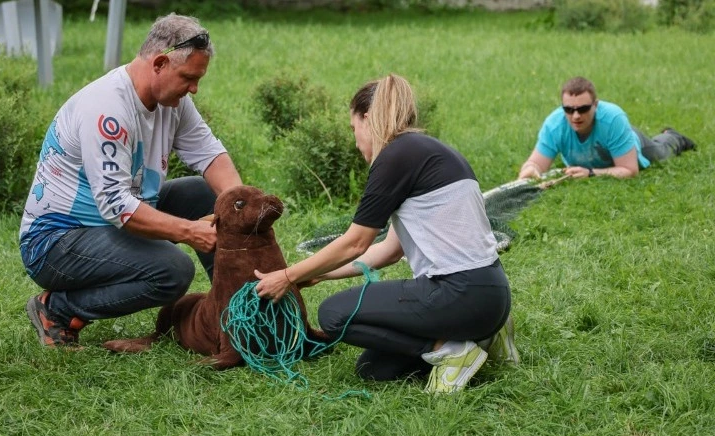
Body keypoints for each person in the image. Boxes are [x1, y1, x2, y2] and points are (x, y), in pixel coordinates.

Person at [254, 74, 518, 395]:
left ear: (367, 118)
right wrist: (320, 274)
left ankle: (452, 350)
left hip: (457, 292)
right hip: (490, 295)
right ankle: (483, 337)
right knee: (374, 369)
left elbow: (356, 242)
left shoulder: (394, 156)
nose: (355, 142)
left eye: (354, 130)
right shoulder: (428, 153)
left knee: (334, 314)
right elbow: (390, 250)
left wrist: (287, 275)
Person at [19, 14, 242, 347]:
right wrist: (190, 232)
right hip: (57, 241)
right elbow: (116, 206)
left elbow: (210, 155)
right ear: (160, 63)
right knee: (172, 271)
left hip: (113, 218)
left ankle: (233, 312)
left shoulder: (174, 102)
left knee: (205, 194)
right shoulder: (107, 108)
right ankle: (57, 309)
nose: (194, 88)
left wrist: (241, 204)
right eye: (188, 78)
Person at [518, 76, 696, 180]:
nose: (576, 116)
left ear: (595, 105)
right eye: (569, 109)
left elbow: (630, 170)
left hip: (632, 145)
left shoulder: (613, 119)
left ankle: (672, 135)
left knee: (662, 151)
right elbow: (535, 163)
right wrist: (530, 170)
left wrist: (590, 173)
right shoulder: (554, 124)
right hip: (598, 156)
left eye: (583, 109)